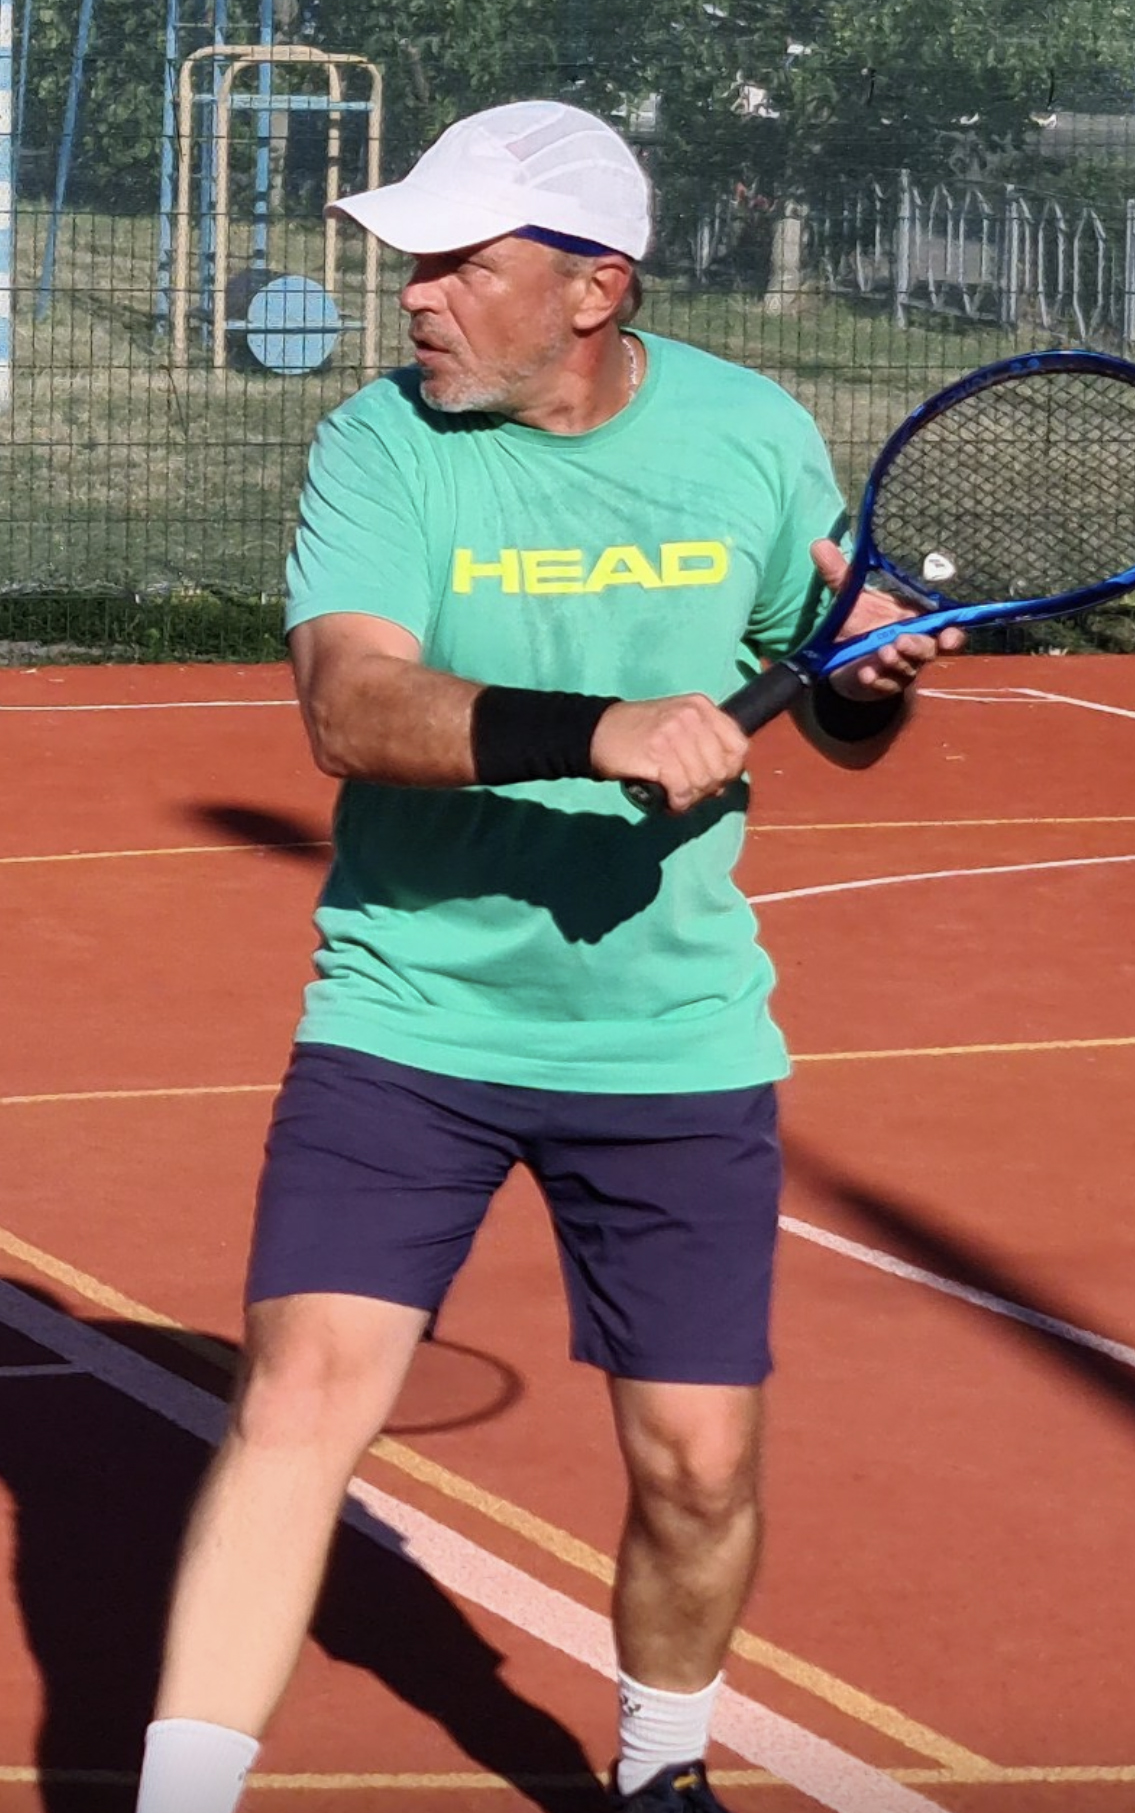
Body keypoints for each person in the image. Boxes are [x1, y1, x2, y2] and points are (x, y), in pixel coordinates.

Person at [132, 100, 962, 1813]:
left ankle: (661, 1773)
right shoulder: (382, 443)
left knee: (699, 1467)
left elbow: (827, 689)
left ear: (594, 290)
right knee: (299, 1397)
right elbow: (350, 705)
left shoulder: (749, 433)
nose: (415, 296)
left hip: (670, 1036)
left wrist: (869, 677)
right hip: (409, 1012)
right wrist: (602, 728)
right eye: (413, 262)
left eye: (457, 263)